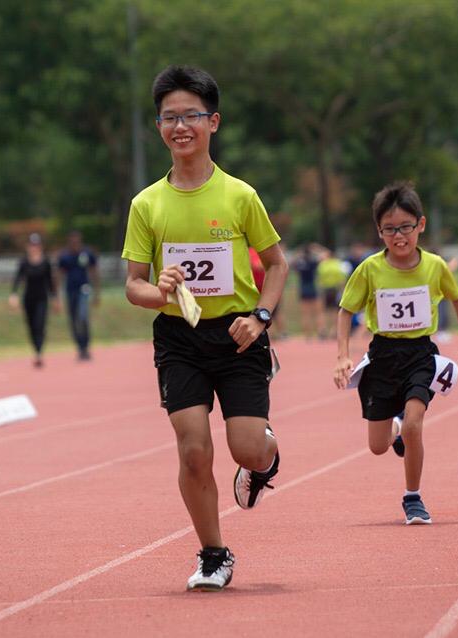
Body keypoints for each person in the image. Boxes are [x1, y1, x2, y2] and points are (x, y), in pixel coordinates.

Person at [122, 65, 288, 592]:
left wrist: (261, 318)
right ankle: (214, 553)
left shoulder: (239, 196)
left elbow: (277, 265)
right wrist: (163, 289)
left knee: (247, 450)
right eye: (169, 117)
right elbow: (134, 286)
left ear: (212, 122)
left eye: (191, 115)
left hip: (238, 336)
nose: (180, 126)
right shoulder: (146, 204)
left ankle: (268, 458)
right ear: (159, 127)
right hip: (179, 339)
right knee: (193, 449)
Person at [333, 182, 458, 525]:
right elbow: (345, 311)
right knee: (377, 446)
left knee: (415, 425)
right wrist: (342, 355)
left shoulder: (434, 266)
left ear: (421, 225)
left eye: (405, 227)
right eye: (389, 229)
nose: (398, 236)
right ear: (379, 231)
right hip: (382, 357)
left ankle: (413, 498)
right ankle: (396, 429)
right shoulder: (370, 269)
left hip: (420, 355)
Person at [9, 233, 59, 368]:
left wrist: (55, 298)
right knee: (31, 326)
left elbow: (50, 282)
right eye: (32, 245)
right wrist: (13, 295)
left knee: (40, 324)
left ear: (41, 247)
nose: (34, 248)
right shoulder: (24, 262)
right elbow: (18, 279)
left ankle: (39, 353)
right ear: (28, 247)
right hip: (28, 299)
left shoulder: (46, 262)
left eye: (36, 245)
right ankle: (36, 349)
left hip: (42, 298)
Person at [56, 231, 99, 360]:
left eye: (77, 241)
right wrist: (57, 295)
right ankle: (80, 346)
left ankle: (86, 345)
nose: (75, 243)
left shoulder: (87, 253)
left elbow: (94, 272)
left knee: (83, 317)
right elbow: (59, 274)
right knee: (73, 320)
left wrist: (97, 293)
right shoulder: (65, 256)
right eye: (72, 241)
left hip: (84, 290)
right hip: (70, 291)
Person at [315, 248, 348, 339]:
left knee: (322, 311)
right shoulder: (338, 264)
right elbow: (342, 279)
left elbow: (319, 279)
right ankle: (334, 330)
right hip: (335, 289)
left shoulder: (322, 265)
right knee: (335, 311)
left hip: (325, 290)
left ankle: (322, 330)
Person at [292, 244, 321, 340]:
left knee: (305, 314)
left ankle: (307, 335)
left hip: (303, 287)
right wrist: (316, 249)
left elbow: (293, 263)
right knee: (316, 312)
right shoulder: (313, 262)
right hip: (312, 287)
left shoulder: (300, 263)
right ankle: (318, 332)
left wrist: (298, 252)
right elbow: (324, 256)